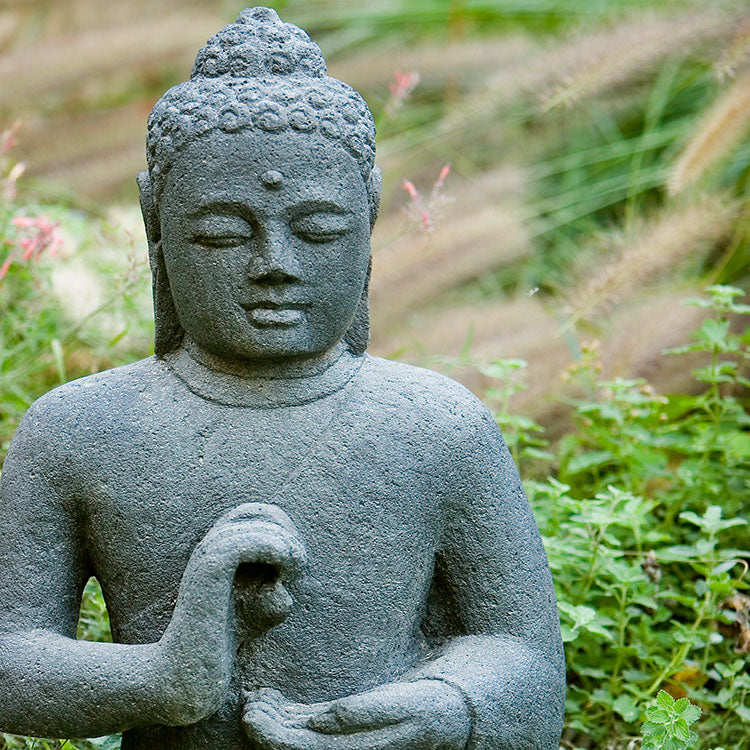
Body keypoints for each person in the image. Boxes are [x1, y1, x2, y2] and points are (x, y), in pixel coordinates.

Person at [0, 8, 565, 749]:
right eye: (223, 233)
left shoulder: (438, 426)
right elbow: (9, 658)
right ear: (155, 227)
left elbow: (525, 654)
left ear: (368, 222)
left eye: (319, 230)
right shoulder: (79, 429)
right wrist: (162, 679)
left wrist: (445, 708)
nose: (275, 264)